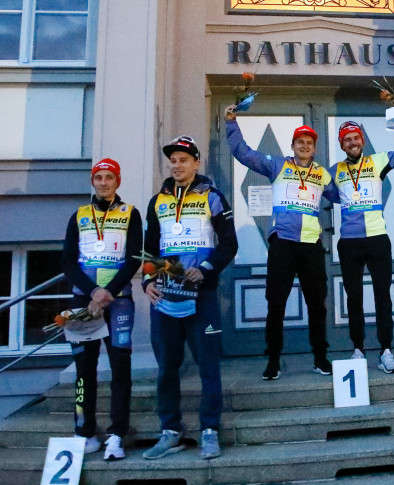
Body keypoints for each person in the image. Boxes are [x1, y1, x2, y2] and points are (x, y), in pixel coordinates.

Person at [225, 105, 337, 381]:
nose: (304, 146)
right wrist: (231, 123)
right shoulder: (277, 165)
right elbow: (244, 153)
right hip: (282, 244)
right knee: (276, 304)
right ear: (293, 145)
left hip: (311, 244)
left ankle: (320, 357)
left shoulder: (322, 174)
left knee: (317, 305)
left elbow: (343, 195)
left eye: (309, 143)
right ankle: (273, 360)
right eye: (300, 142)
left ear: (314, 148)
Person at [142, 136, 237, 460]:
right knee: (167, 366)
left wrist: (207, 269)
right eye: (173, 160)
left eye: (184, 159)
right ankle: (171, 430)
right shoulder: (157, 202)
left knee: (208, 364)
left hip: (202, 295)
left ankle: (210, 429)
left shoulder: (213, 197)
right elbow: (150, 250)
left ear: (196, 163)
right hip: (165, 297)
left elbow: (229, 244)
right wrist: (147, 282)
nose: (177, 164)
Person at [61, 158, 142, 461]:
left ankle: (117, 435)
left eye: (109, 178)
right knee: (84, 369)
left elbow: (134, 258)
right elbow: (68, 261)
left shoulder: (130, 214)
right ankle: (84, 431)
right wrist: (93, 291)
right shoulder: (79, 215)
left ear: (117, 181)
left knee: (121, 369)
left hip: (119, 300)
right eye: (99, 178)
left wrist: (107, 292)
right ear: (92, 182)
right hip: (84, 301)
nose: (104, 183)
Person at [328, 106, 394, 373]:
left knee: (382, 296)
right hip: (349, 242)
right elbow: (325, 193)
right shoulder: (334, 170)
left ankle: (386, 351)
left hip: (377, 239)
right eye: (347, 139)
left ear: (362, 141)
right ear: (342, 144)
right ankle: (358, 350)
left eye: (355, 137)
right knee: (353, 298)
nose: (352, 142)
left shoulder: (378, 161)